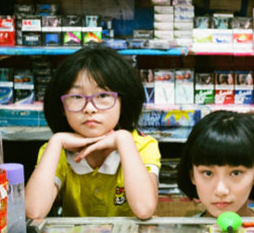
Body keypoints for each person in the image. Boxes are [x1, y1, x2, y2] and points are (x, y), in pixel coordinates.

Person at [25, 45, 159, 219]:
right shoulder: (57, 151)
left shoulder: (143, 146)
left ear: (122, 102)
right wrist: (56, 141)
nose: (89, 108)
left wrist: (124, 140)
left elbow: (145, 209)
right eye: (76, 97)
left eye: (102, 96)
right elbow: (33, 211)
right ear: (62, 107)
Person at [176, 111, 254, 217]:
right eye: (208, 173)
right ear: (192, 175)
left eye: (236, 173)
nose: (221, 191)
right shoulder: (182, 228)